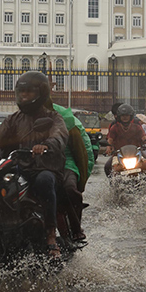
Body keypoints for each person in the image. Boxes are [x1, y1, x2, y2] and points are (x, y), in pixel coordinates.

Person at [0, 71, 69, 258]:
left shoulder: (54, 118)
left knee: (45, 181)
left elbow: (60, 135)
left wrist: (47, 145)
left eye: (29, 93)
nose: (24, 96)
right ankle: (2, 228)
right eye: (21, 92)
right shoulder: (13, 119)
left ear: (41, 94)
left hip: (45, 167)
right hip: (20, 167)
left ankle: (50, 234)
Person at [52, 98, 94, 243]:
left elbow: (85, 154)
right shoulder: (20, 118)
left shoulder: (68, 122)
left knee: (69, 189)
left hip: (66, 163)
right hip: (35, 164)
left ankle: (75, 229)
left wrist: (81, 182)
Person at [105, 103, 146, 177]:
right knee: (107, 166)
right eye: (123, 116)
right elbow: (110, 139)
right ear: (119, 117)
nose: (125, 117)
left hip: (137, 153)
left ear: (130, 116)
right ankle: (113, 183)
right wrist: (108, 148)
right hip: (118, 154)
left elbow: (144, 138)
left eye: (127, 115)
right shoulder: (114, 128)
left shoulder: (137, 127)